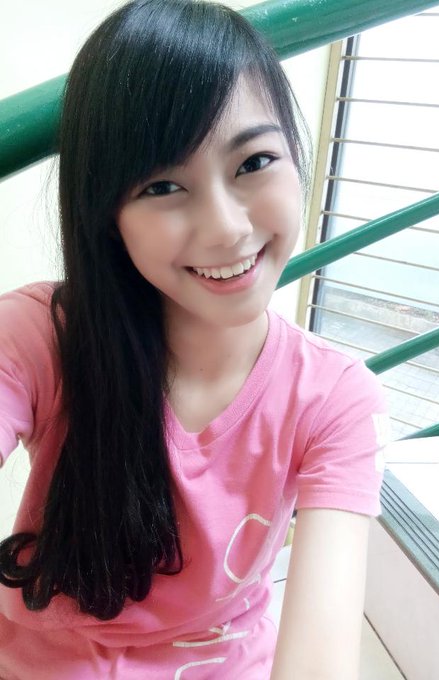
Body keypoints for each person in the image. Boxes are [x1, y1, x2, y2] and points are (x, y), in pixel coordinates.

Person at [0, 0, 388, 677]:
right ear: (109, 216)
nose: (227, 228)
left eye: (254, 161)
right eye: (162, 186)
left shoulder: (334, 398)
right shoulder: (39, 336)